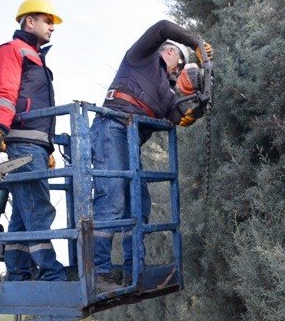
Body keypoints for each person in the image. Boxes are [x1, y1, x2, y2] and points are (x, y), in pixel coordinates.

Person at [91, 20, 212, 290]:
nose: (179, 71)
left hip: (130, 141)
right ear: (169, 52)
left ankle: (133, 271)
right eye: (179, 63)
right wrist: (196, 44)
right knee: (113, 198)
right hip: (112, 127)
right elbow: (162, 27)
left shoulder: (166, 93)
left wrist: (200, 104)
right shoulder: (141, 57)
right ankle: (97, 272)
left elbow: (181, 118)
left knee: (139, 205)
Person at [0, 0, 66, 282]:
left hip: (35, 143)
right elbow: (5, 93)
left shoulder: (35, 57)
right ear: (29, 21)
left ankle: (19, 271)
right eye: (48, 21)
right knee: (39, 209)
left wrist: (49, 147)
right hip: (22, 141)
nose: (52, 28)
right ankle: (51, 272)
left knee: (22, 212)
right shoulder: (11, 51)